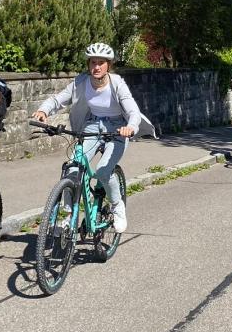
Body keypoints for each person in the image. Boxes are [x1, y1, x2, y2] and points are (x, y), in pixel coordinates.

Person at [31, 43, 152, 234]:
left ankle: (117, 205)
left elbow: (132, 110)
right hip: (92, 125)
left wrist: (131, 127)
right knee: (73, 167)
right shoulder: (81, 82)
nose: (96, 67)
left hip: (118, 128)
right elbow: (57, 99)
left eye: (101, 63)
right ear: (88, 64)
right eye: (93, 62)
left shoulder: (117, 83)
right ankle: (69, 216)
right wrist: (43, 110)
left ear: (108, 65)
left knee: (103, 171)